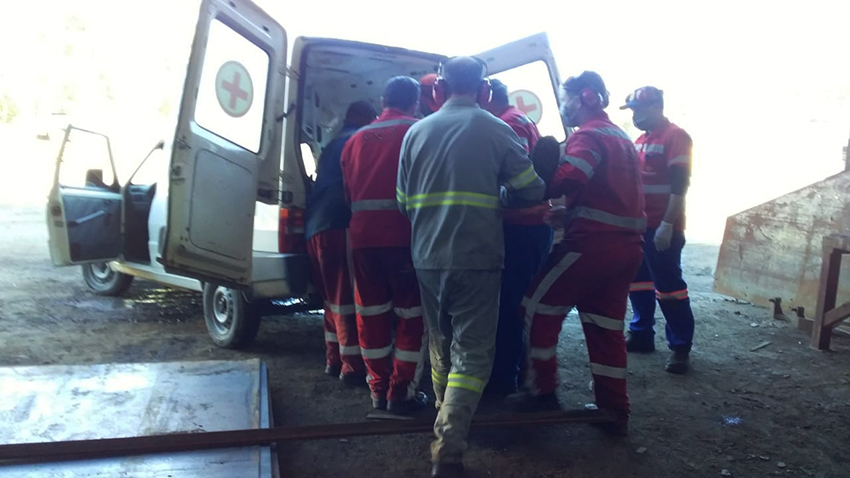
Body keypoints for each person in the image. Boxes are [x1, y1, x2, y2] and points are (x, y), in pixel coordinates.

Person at [397, 56, 545, 478]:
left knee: (440, 347)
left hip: (426, 257)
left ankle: (447, 421)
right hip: (478, 257)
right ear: (484, 91)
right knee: (473, 354)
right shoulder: (497, 130)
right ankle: (449, 448)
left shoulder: (415, 132)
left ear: (439, 91)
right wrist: (500, 194)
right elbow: (531, 189)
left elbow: (403, 202)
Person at [512, 71, 645, 437]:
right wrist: (569, 213)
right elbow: (611, 194)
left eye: (566, 99)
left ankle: (542, 392)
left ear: (586, 97)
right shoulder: (621, 137)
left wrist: (539, 183)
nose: (564, 106)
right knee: (605, 328)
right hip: (626, 249)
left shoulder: (587, 135)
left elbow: (572, 177)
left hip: (590, 246)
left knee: (534, 308)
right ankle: (614, 410)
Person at [340, 77, 427, 413]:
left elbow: (348, 194)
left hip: (362, 241)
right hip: (406, 239)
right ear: (415, 101)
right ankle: (400, 393)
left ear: (382, 100)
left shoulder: (355, 139)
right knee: (412, 314)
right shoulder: (419, 131)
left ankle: (377, 391)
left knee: (371, 315)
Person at [483, 79, 553, 395]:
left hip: (521, 226)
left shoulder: (505, 124)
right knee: (521, 302)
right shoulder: (518, 119)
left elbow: (520, 181)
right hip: (532, 225)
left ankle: (506, 379)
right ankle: (520, 372)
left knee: (511, 304)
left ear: (487, 99)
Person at [620, 86, 695, 374]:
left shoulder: (675, 136)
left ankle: (680, 348)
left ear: (654, 107)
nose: (635, 116)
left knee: (670, 288)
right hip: (640, 226)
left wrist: (666, 225)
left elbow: (680, 186)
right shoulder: (640, 140)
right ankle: (641, 334)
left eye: (638, 110)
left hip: (662, 228)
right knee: (638, 282)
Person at [304, 100, 376, 385]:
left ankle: (334, 360)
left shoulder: (333, 144)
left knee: (331, 300)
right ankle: (353, 368)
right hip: (337, 225)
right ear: (367, 118)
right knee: (346, 299)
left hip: (315, 228)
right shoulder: (356, 141)